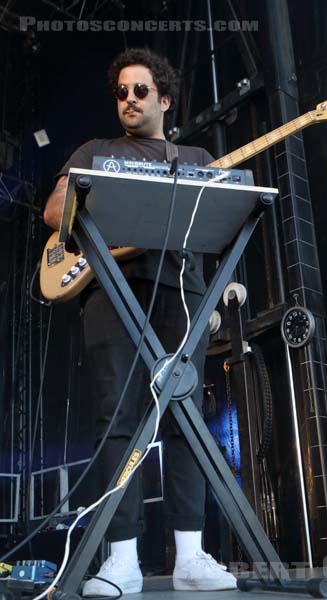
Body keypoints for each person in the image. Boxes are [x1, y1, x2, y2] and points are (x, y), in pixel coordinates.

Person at [43, 47, 237, 595]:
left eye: (141, 91)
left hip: (181, 290)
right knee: (116, 416)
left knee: (186, 415)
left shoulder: (195, 156)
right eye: (121, 92)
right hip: (110, 291)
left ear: (166, 99)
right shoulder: (96, 150)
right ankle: (121, 558)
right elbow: (56, 213)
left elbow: (226, 217)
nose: (128, 100)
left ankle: (191, 557)